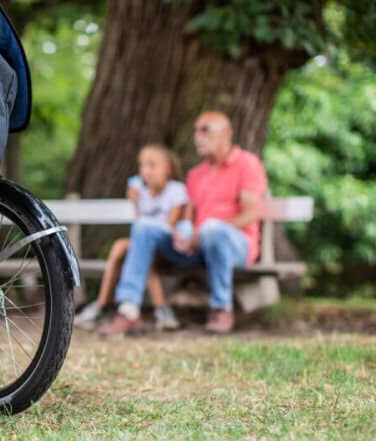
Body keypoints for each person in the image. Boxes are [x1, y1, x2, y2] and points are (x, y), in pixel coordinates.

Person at [105, 111, 268, 336]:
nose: (197, 136)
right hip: (196, 244)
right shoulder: (195, 174)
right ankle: (128, 310)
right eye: (196, 130)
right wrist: (181, 234)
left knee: (212, 228)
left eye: (205, 129)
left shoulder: (247, 164)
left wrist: (202, 231)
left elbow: (250, 214)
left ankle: (222, 308)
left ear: (227, 133)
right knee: (144, 226)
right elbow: (188, 217)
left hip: (236, 245)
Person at [74, 144, 188, 331]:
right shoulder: (141, 192)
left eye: (152, 165)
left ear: (167, 168)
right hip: (146, 244)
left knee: (138, 250)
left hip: (169, 243)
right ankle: (108, 306)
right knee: (122, 247)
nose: (146, 171)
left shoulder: (176, 190)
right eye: (143, 166)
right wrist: (136, 202)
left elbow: (170, 225)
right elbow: (139, 224)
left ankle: (112, 307)